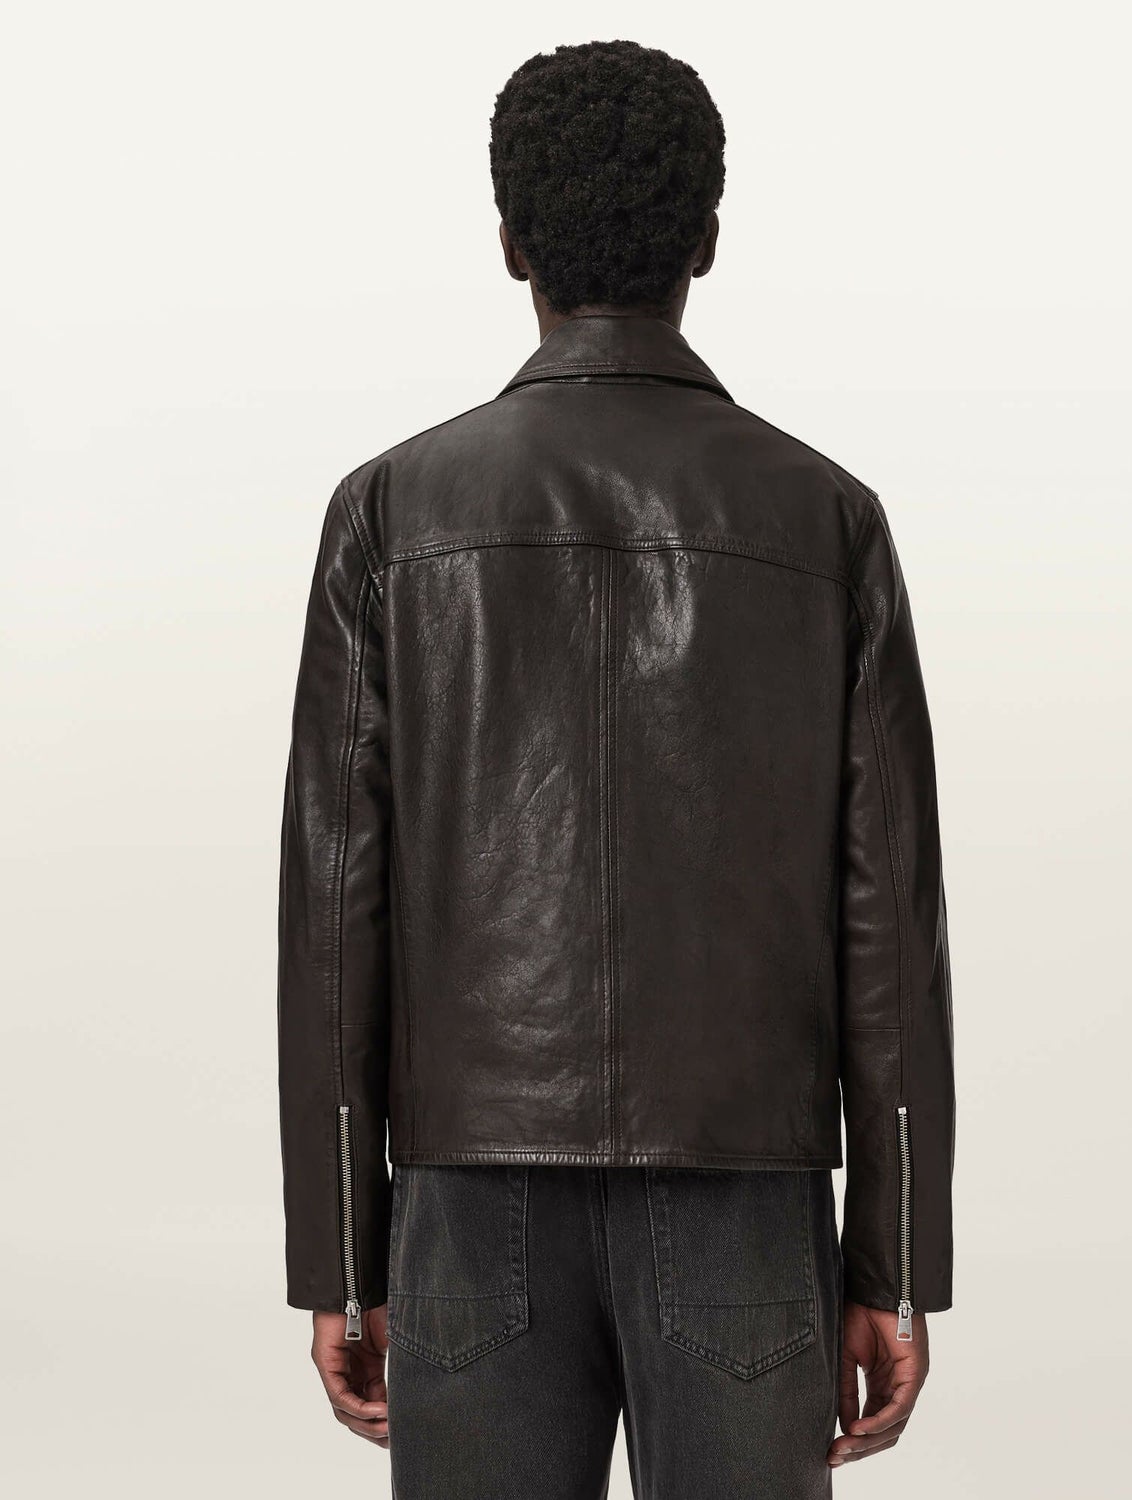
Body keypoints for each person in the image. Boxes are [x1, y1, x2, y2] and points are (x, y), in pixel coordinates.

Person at [277, 38, 954, 1499]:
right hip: (746, 1201)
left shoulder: (390, 512)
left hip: (467, 1207)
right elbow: (889, 922)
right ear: (706, 238)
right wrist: (893, 1261)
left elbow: (337, 909)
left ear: (511, 240)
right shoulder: (825, 519)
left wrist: (339, 1249)